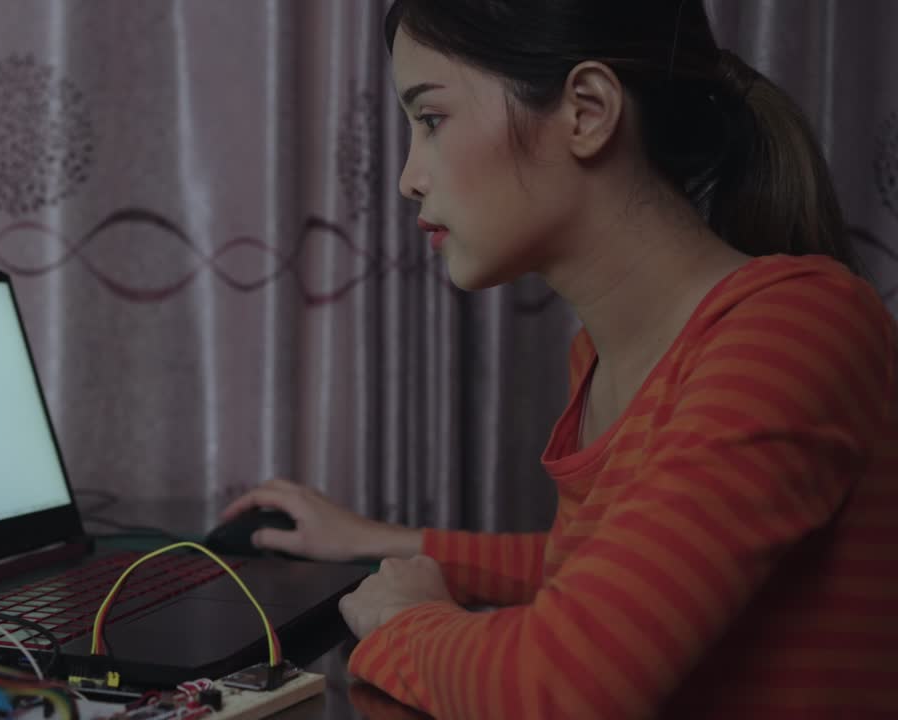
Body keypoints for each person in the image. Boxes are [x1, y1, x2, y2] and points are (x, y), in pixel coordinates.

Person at [221, 1, 898, 718]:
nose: (409, 179)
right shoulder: (602, 357)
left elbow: (558, 688)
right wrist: (379, 542)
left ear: (587, 112)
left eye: (432, 120)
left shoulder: (793, 331)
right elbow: (601, 574)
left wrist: (401, 621)